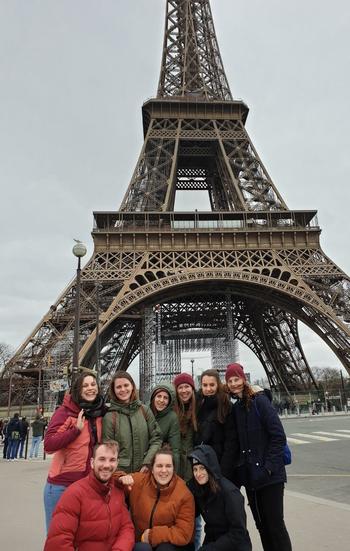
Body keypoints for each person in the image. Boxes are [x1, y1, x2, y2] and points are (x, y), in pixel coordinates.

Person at [225, 363, 292, 551]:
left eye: (236, 379)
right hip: (252, 478)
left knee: (275, 526)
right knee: (262, 527)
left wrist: (268, 467)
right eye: (230, 381)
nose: (233, 384)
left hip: (270, 477)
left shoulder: (260, 402)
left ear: (244, 379)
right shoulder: (236, 408)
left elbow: (278, 436)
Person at [44, 441, 135, 551]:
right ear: (92, 463)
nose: (106, 465)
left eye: (112, 460)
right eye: (102, 459)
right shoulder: (75, 494)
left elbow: (126, 528)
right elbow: (58, 541)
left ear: (117, 463)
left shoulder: (117, 491)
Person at [43, 370, 105, 531]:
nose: (90, 388)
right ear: (78, 390)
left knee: (82, 538)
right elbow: (49, 445)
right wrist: (75, 430)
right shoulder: (65, 412)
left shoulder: (99, 414)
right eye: (85, 385)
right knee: (58, 539)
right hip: (61, 486)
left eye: (93, 384)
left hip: (87, 485)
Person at [118, 445, 195, 551]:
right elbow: (111, 479)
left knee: (165, 548)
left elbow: (184, 533)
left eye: (168, 466)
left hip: (170, 545)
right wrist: (120, 478)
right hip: (141, 543)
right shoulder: (140, 482)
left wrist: (152, 535)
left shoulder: (184, 494)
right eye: (159, 466)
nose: (164, 470)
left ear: (173, 469)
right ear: (152, 469)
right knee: (142, 548)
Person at [188, 444, 252, 551]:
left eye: (202, 468)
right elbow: (189, 513)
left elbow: (238, 532)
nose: (198, 474)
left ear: (210, 467)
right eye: (195, 469)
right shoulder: (198, 488)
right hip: (212, 541)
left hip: (235, 546)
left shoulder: (230, 493)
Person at [103, 371, 162, 473]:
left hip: (145, 473)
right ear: (113, 390)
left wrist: (147, 463)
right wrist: (119, 474)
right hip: (121, 476)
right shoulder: (109, 417)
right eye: (118, 387)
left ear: (132, 386)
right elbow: (108, 450)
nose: (123, 389)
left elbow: (156, 439)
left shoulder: (145, 410)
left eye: (126, 385)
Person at [195, 369, 236, 479]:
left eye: (212, 385)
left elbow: (231, 443)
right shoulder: (197, 405)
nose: (208, 389)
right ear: (201, 386)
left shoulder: (226, 406)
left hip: (220, 467)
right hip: (202, 466)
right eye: (205, 385)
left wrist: (223, 473)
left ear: (218, 385)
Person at [150, 383, 181, 472]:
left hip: (160, 462)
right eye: (159, 396)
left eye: (165, 398)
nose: (161, 400)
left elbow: (175, 449)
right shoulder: (145, 411)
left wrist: (174, 473)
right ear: (153, 397)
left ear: (170, 401)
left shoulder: (172, 417)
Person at [173, 373, 197, 482]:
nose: (184, 390)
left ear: (192, 388)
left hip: (194, 460)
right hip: (176, 459)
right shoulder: (171, 409)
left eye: (187, 386)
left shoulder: (199, 407)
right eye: (180, 387)